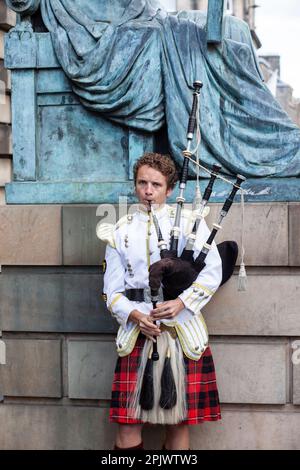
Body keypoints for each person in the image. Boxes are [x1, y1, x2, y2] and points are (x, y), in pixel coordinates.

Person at [98, 153, 222, 450]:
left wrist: (182, 302)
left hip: (182, 331)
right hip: (137, 333)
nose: (148, 190)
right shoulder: (119, 230)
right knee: (127, 429)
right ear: (135, 185)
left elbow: (212, 272)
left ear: (169, 189)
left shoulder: (192, 223)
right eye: (142, 183)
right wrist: (133, 315)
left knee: (178, 428)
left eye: (156, 184)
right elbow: (110, 291)